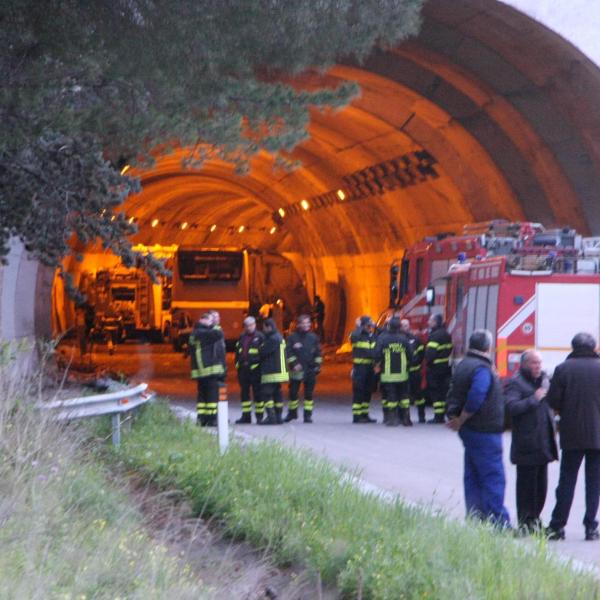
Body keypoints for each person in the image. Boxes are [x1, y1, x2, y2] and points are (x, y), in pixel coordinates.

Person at [446, 329, 510, 526]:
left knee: (473, 474)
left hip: (472, 431)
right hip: (485, 429)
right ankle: (499, 522)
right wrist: (462, 418)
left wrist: (459, 420)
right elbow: (477, 396)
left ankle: (476, 517)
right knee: (493, 476)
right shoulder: (482, 369)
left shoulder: (464, 364)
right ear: (488, 347)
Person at [545, 332, 600, 541]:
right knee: (594, 483)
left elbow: (552, 401)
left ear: (573, 347)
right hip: (597, 435)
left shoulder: (563, 369)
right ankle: (591, 527)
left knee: (567, 480)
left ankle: (558, 525)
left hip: (572, 434)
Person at [505, 350, 558, 533]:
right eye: (534, 363)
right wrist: (533, 400)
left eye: (540, 363)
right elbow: (511, 407)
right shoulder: (516, 383)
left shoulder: (545, 381)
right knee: (526, 486)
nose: (538, 367)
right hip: (527, 443)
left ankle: (535, 520)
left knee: (541, 487)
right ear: (525, 364)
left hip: (543, 442)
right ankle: (525, 522)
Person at [374, 317, 412, 427]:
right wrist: (408, 365)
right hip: (402, 375)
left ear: (388, 326)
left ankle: (391, 419)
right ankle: (405, 419)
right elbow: (410, 354)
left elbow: (377, 354)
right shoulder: (404, 339)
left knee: (391, 397)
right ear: (400, 327)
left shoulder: (382, 338)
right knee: (404, 398)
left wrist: (377, 365)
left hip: (387, 375)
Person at [284, 314, 323, 423]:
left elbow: (318, 353)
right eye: (304, 323)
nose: (306, 325)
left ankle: (307, 415)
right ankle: (292, 413)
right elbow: (288, 352)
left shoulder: (313, 337)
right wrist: (294, 363)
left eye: (308, 323)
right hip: (297, 370)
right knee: (293, 392)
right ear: (299, 325)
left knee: (309, 394)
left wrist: (317, 365)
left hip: (310, 369)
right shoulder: (292, 337)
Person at [189, 312, 226, 427]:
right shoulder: (204, 333)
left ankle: (202, 418)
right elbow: (219, 333)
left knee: (202, 396)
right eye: (210, 320)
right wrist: (214, 325)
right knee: (211, 397)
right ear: (203, 320)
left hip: (200, 372)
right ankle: (211, 419)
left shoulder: (195, 333)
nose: (212, 322)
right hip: (209, 370)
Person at [258, 318, 289, 425]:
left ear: (269, 327)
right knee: (277, 394)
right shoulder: (279, 337)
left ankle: (271, 417)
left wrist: (260, 347)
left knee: (266, 394)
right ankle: (278, 417)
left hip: (272, 372)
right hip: (280, 371)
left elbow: (262, 352)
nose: (263, 330)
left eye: (264, 328)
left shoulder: (272, 339)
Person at [234, 316, 264, 424]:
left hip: (256, 370)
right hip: (244, 370)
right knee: (244, 394)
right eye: (247, 325)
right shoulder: (242, 337)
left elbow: (263, 354)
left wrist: (260, 366)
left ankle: (259, 416)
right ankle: (246, 416)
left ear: (255, 325)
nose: (249, 327)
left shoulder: (260, 337)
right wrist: (238, 365)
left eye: (251, 325)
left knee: (258, 394)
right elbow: (238, 352)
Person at [425, 313, 453, 423]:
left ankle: (438, 416)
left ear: (435, 322)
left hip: (435, 368)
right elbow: (449, 349)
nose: (428, 323)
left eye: (430, 321)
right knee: (442, 391)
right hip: (445, 367)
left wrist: (428, 360)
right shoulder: (446, 334)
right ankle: (442, 415)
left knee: (435, 392)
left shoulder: (434, 336)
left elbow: (430, 354)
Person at [350, 315, 377, 423]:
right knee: (358, 391)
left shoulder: (372, 336)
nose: (369, 327)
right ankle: (357, 416)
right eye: (368, 324)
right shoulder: (357, 335)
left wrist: (376, 326)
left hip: (370, 368)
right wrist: (359, 326)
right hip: (360, 368)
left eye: (370, 325)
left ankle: (365, 414)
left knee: (368, 391)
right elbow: (354, 336)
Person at [401, 318, 426, 423]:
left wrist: (416, 363)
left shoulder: (415, 339)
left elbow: (421, 353)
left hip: (414, 371)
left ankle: (421, 416)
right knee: (404, 395)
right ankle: (405, 417)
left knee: (418, 394)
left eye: (406, 325)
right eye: (403, 325)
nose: (405, 327)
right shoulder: (399, 339)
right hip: (403, 372)